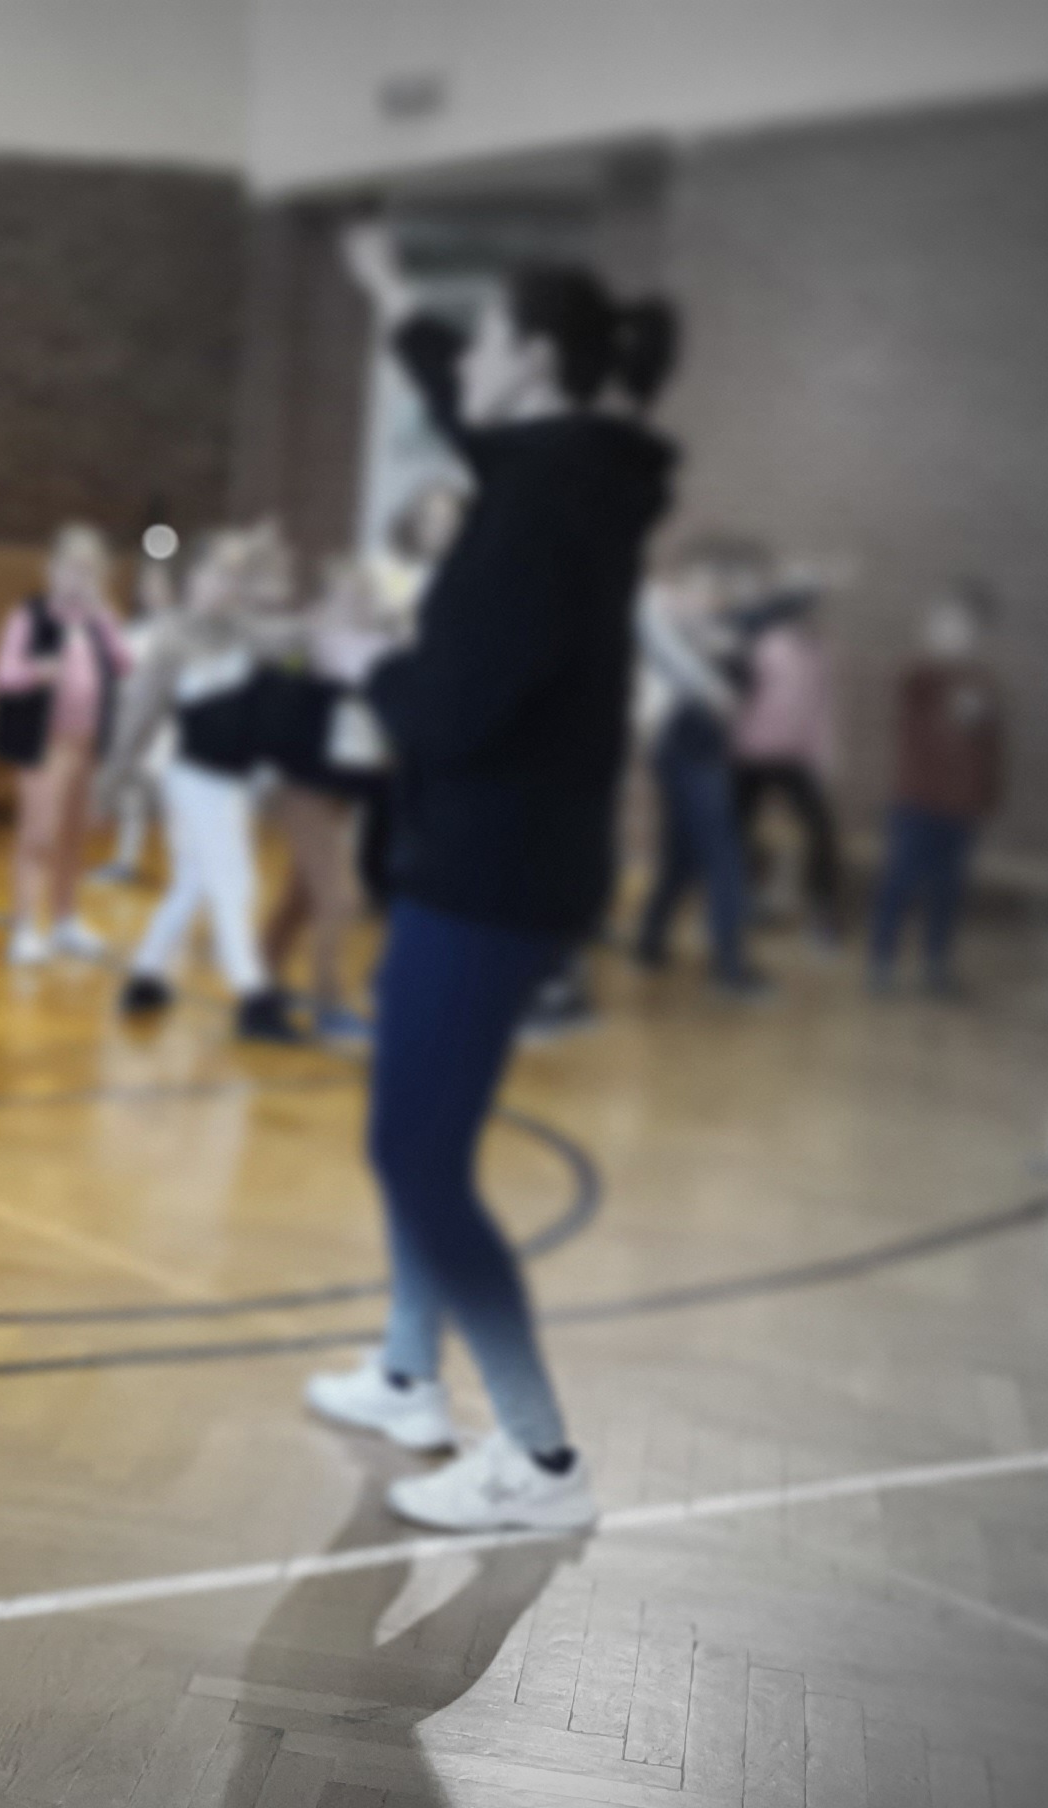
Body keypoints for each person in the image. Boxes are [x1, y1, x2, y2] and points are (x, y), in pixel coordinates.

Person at [309, 227, 678, 1532]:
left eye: (478, 342)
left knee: (414, 1155)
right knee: (428, 1141)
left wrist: (366, 665)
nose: (458, 365)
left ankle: (540, 1457)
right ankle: (410, 1374)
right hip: (501, 859)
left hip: (491, 871)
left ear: (528, 357)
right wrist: (394, 298)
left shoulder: (538, 506)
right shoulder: (567, 472)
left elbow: (457, 705)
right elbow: (469, 418)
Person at [99, 528, 302, 1045]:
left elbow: (294, 637)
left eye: (233, 577)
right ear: (192, 577)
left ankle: (145, 978)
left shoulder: (242, 631)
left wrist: (276, 573)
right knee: (234, 883)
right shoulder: (172, 638)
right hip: (193, 780)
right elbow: (138, 716)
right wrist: (111, 781)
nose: (226, 585)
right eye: (217, 573)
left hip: (230, 783)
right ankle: (254, 998)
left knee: (193, 882)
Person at [259, 555, 393, 1043]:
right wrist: (304, 635)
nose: (358, 602)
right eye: (347, 594)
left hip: (344, 788)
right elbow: (276, 670)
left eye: (365, 594)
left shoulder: (383, 646)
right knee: (340, 898)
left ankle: (260, 979)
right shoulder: (310, 640)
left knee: (302, 893)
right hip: (301, 786)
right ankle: (329, 1004)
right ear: (328, 598)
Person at [632, 539, 768, 994]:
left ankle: (649, 941)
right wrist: (710, 657)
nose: (711, 594)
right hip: (686, 750)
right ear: (683, 588)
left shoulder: (730, 631)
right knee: (724, 856)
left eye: (718, 586)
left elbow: (742, 686)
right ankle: (730, 968)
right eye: (701, 584)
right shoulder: (672, 627)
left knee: (683, 856)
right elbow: (671, 665)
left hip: (703, 752)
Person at [0, 525, 128, 967]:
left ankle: (66, 920)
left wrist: (105, 618)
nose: (79, 579)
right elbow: (2, 676)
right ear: (50, 570)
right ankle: (24, 927)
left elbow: (125, 663)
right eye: (71, 568)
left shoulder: (98, 622)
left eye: (89, 571)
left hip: (88, 745)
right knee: (39, 835)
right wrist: (36, 671)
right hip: (46, 745)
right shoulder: (29, 616)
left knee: (74, 836)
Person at [870, 580, 1006, 998]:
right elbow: (908, 683)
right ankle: (882, 965)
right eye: (946, 624)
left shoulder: (984, 683)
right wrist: (939, 657)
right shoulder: (920, 675)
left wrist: (987, 796)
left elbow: (991, 747)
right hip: (916, 802)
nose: (955, 633)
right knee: (899, 883)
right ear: (932, 628)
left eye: (964, 627)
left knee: (948, 892)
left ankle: (936, 966)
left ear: (977, 633)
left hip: (961, 809)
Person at [731, 588, 844, 943]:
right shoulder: (765, 647)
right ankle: (743, 901)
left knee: (822, 831)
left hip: (794, 758)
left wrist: (824, 757)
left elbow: (823, 709)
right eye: (803, 612)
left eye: (814, 612)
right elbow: (739, 697)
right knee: (737, 829)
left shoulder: (821, 653)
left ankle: (822, 914)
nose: (810, 619)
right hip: (750, 754)